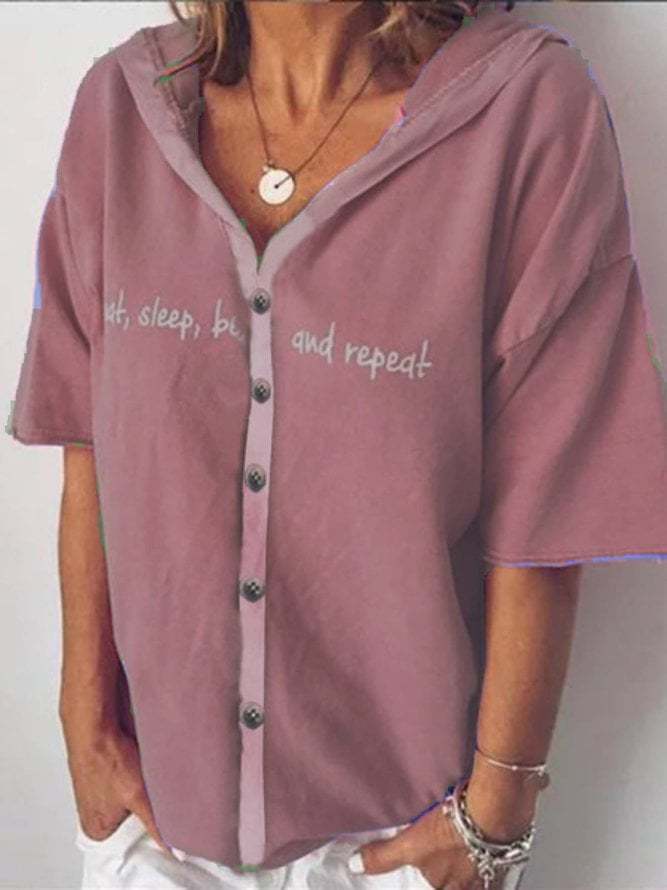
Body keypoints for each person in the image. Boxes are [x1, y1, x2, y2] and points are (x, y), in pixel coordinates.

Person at [8, 0, 667, 888]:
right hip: (152, 823)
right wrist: (84, 726)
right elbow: (84, 430)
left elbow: (552, 491)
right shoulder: (123, 106)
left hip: (403, 840)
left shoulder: (524, 110)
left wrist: (497, 809)